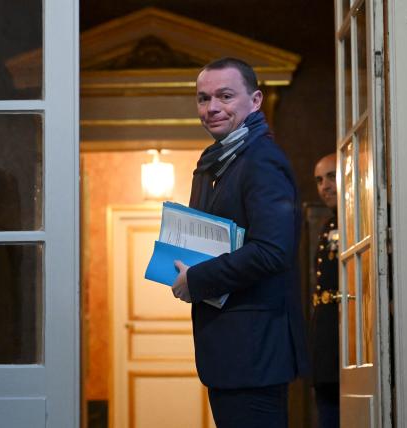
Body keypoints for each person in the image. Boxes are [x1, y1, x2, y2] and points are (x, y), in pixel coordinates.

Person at [171, 57, 308, 428]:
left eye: (225, 96)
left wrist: (197, 280)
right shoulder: (218, 162)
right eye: (203, 98)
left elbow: (272, 251)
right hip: (233, 353)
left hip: (255, 354)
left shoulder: (260, 159)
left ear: (257, 100)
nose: (212, 107)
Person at [311, 153, 340, 427]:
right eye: (320, 180)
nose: (325, 186)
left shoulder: (359, 221)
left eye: (332, 176)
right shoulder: (329, 225)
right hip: (327, 340)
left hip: (349, 340)